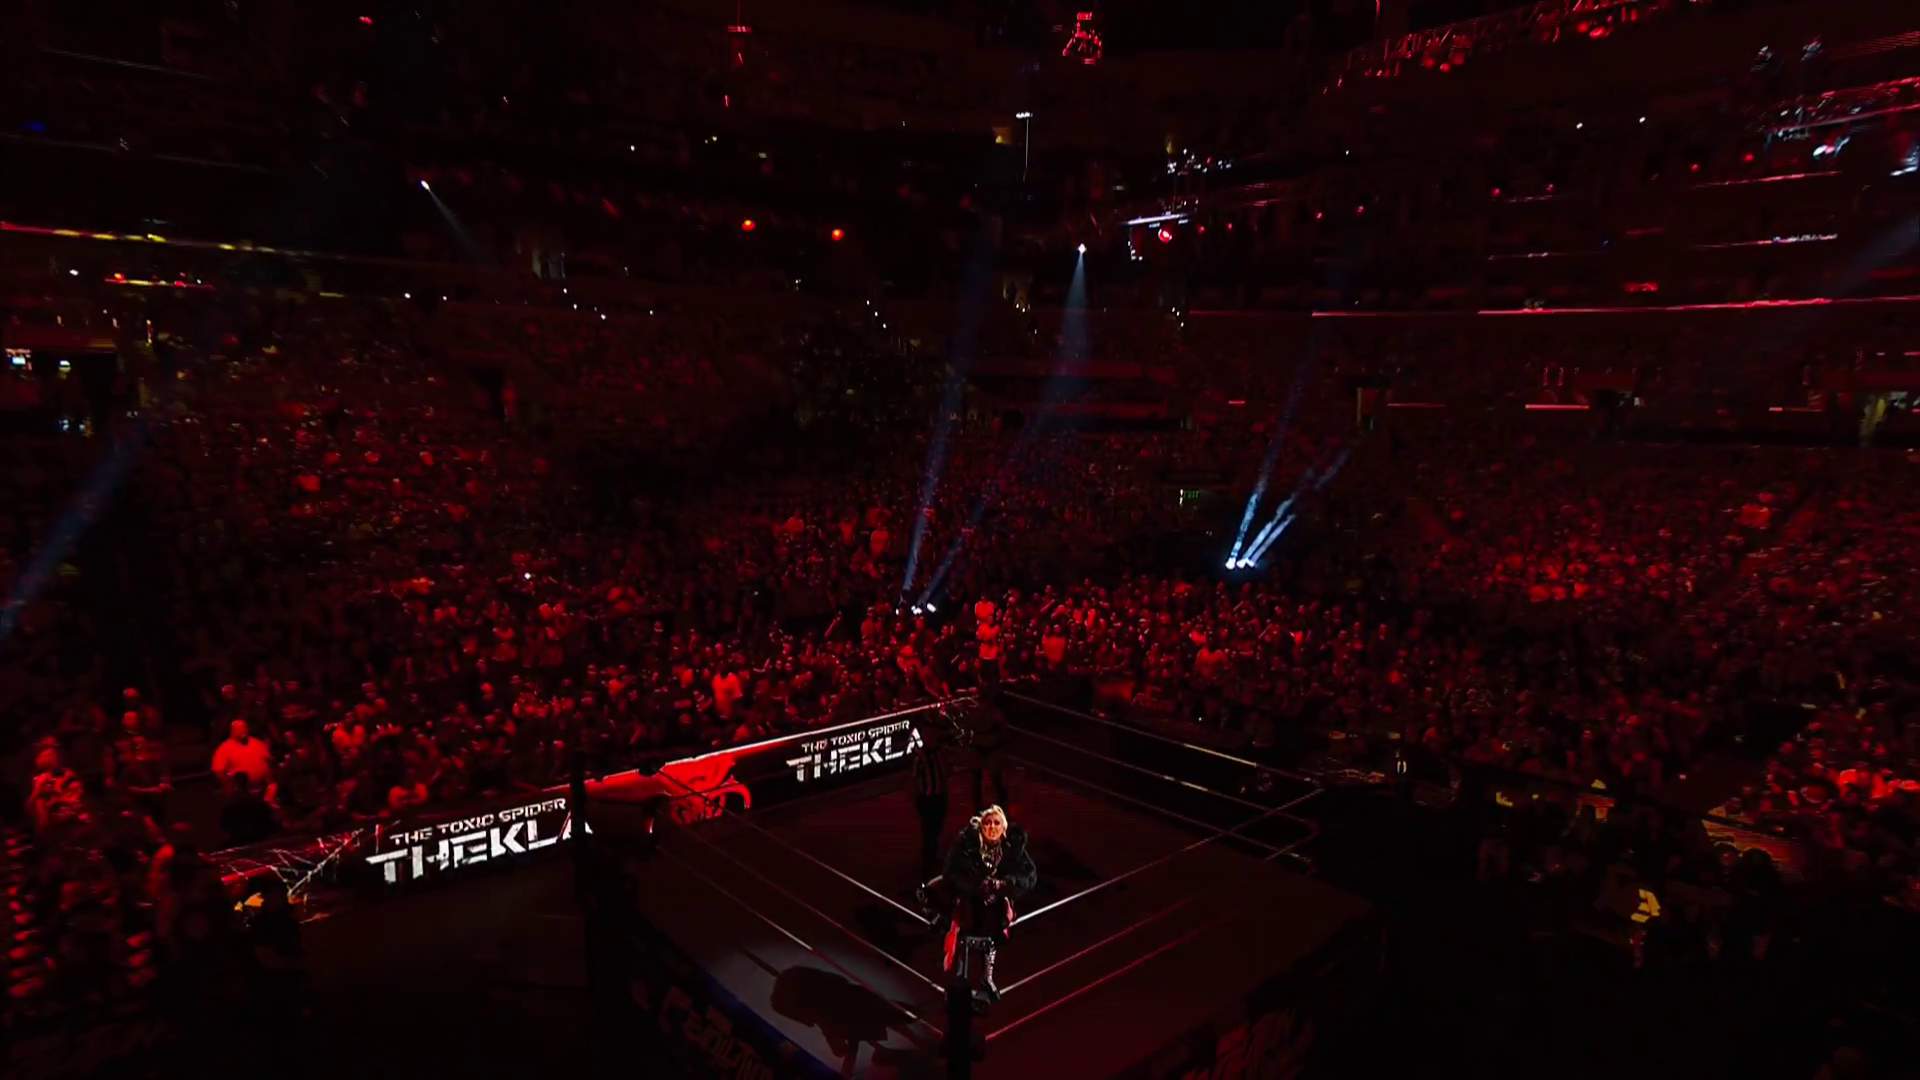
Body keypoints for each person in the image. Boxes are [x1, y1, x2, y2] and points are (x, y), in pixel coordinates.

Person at [938, 805, 1035, 1002]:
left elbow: (1028, 875)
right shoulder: (967, 845)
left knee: (992, 937)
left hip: (997, 904)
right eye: (987, 823)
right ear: (981, 826)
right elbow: (951, 872)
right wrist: (974, 887)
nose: (992, 827)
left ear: (1004, 828)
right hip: (969, 900)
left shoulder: (1012, 848)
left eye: (996, 823)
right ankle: (960, 980)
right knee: (964, 937)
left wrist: (1004, 885)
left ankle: (987, 978)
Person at [909, 719, 953, 876]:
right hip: (927, 799)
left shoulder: (941, 751)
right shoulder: (920, 757)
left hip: (940, 796)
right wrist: (916, 802)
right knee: (928, 830)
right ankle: (927, 859)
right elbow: (914, 781)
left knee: (937, 826)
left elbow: (948, 769)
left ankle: (932, 854)